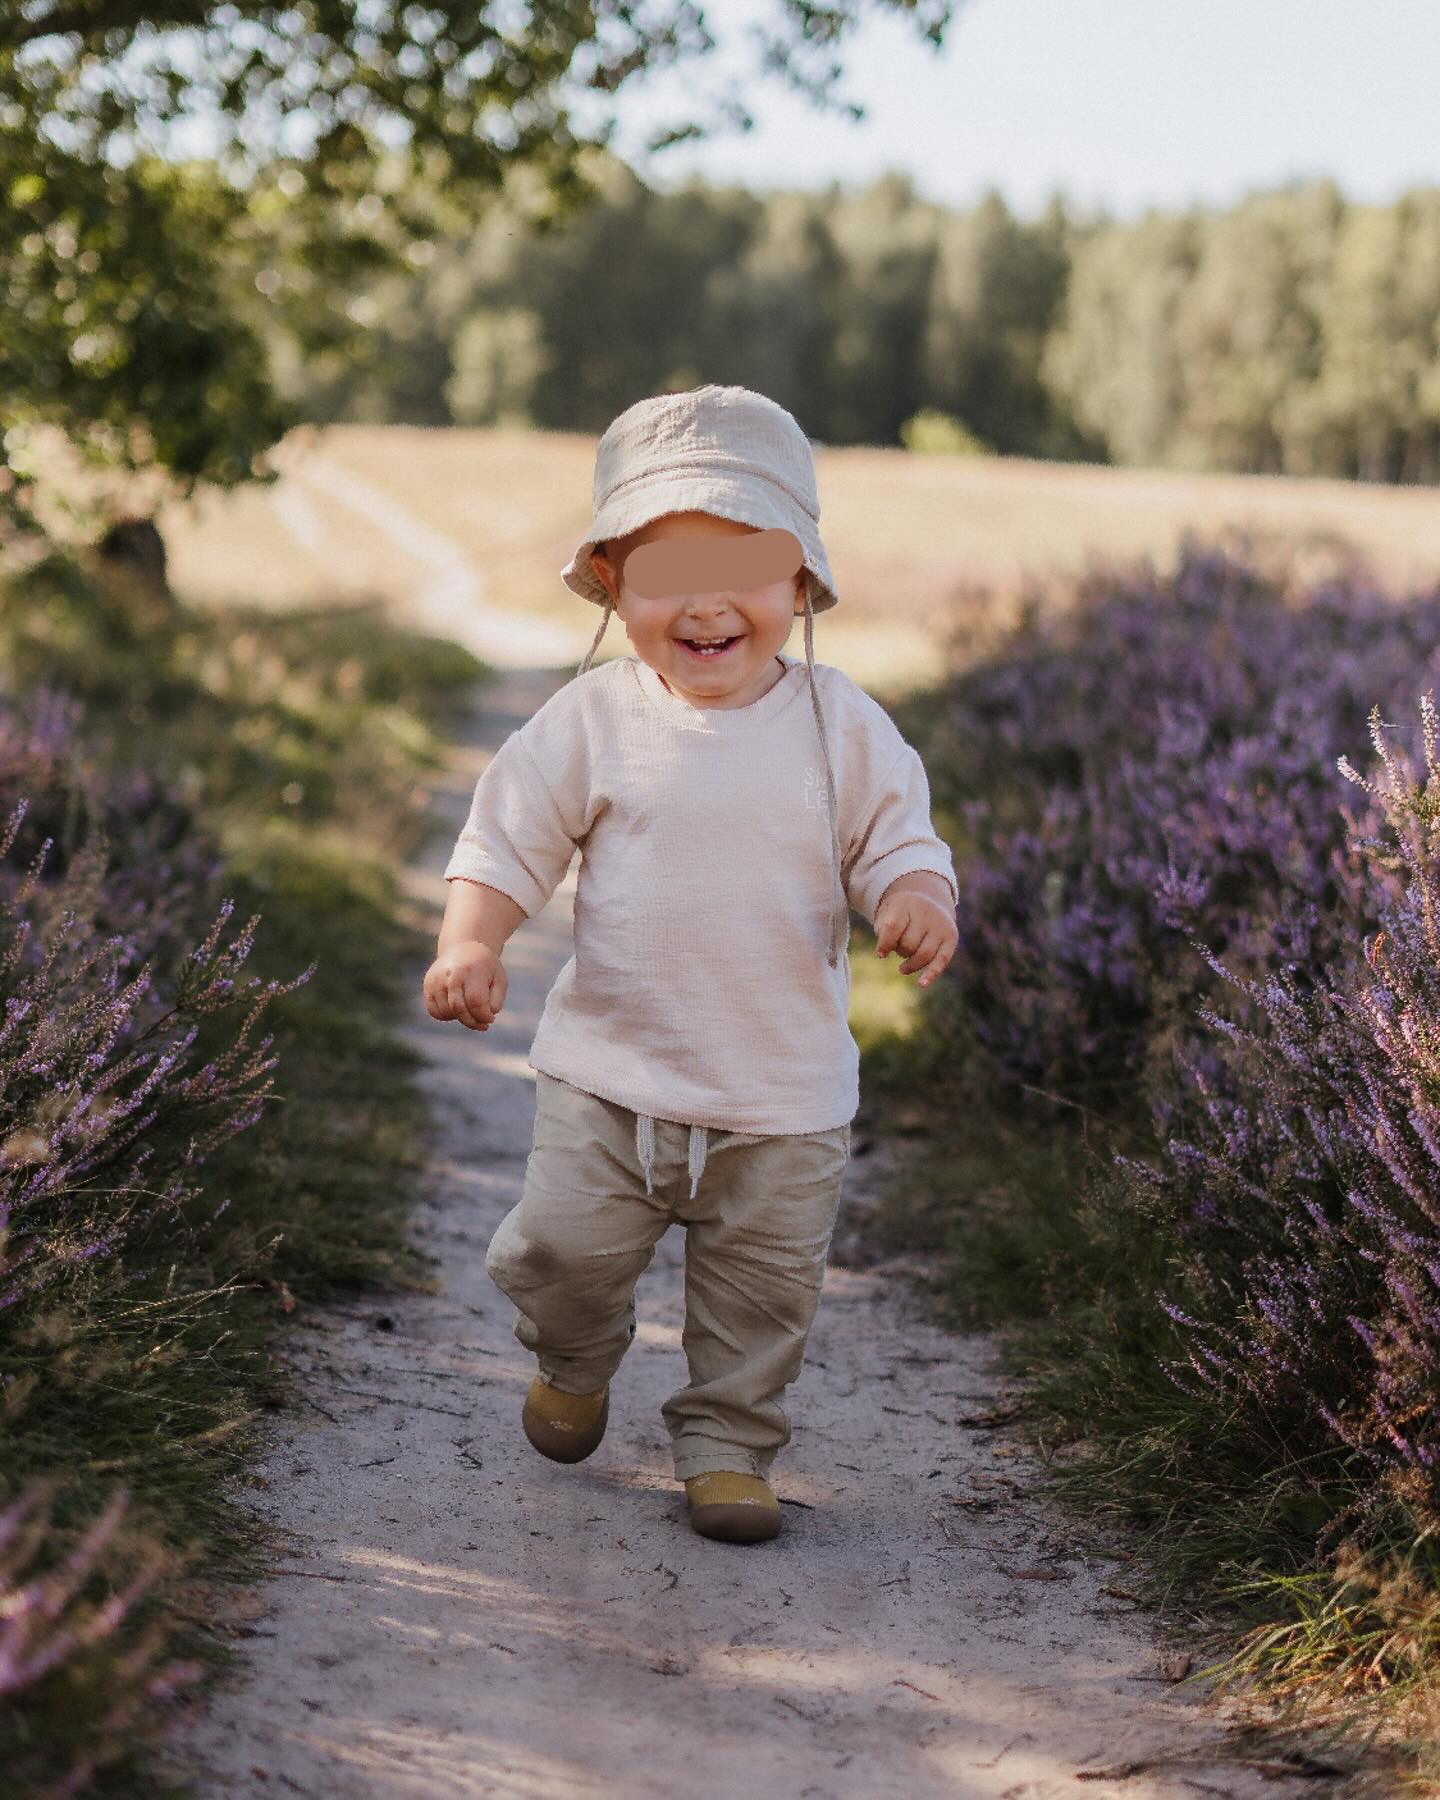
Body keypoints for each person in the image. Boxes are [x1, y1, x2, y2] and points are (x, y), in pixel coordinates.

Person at [424, 383, 959, 1545]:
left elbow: (897, 838)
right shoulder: (592, 720)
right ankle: (574, 1354)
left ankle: (726, 1445)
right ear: (613, 585)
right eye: (667, 574)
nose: (707, 605)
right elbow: (509, 833)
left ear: (803, 582)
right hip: (610, 1076)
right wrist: (471, 939)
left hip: (782, 1098)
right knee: (560, 1250)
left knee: (762, 1299)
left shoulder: (841, 727)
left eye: (746, 567)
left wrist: (913, 896)